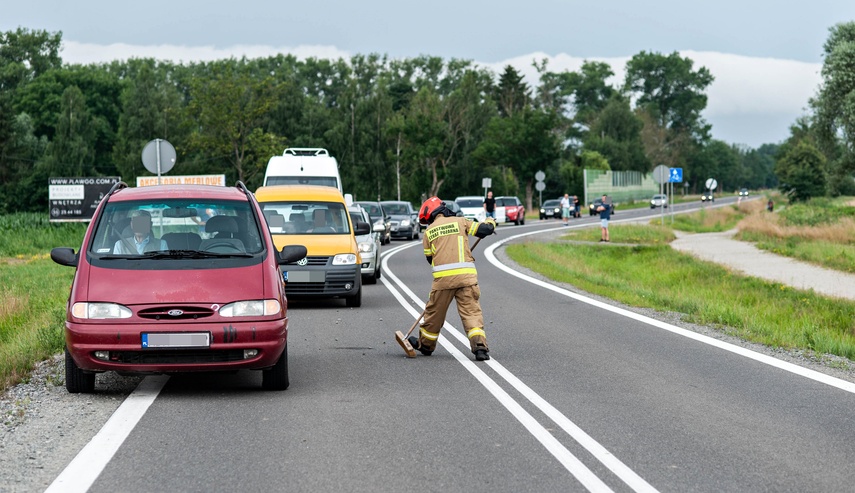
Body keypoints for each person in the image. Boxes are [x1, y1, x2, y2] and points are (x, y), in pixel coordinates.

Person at [409, 197, 496, 361]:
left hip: (443, 282)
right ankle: (480, 348)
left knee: (434, 315)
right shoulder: (460, 221)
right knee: (471, 313)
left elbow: (430, 259)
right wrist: (491, 222)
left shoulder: (429, 232)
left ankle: (426, 345)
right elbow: (484, 230)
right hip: (466, 278)